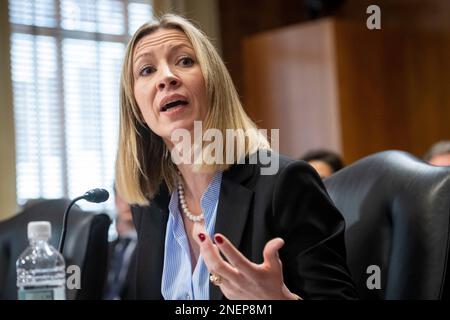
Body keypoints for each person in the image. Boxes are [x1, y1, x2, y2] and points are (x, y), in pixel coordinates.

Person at [115, 14, 357, 300]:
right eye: (146, 70)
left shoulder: (285, 184)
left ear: (214, 84)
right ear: (136, 109)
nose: (166, 77)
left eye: (184, 61)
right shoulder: (151, 203)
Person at [103, 192, 137, 300]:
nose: (127, 203)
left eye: (132, 196)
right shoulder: (107, 247)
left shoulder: (153, 251)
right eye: (122, 197)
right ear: (116, 200)